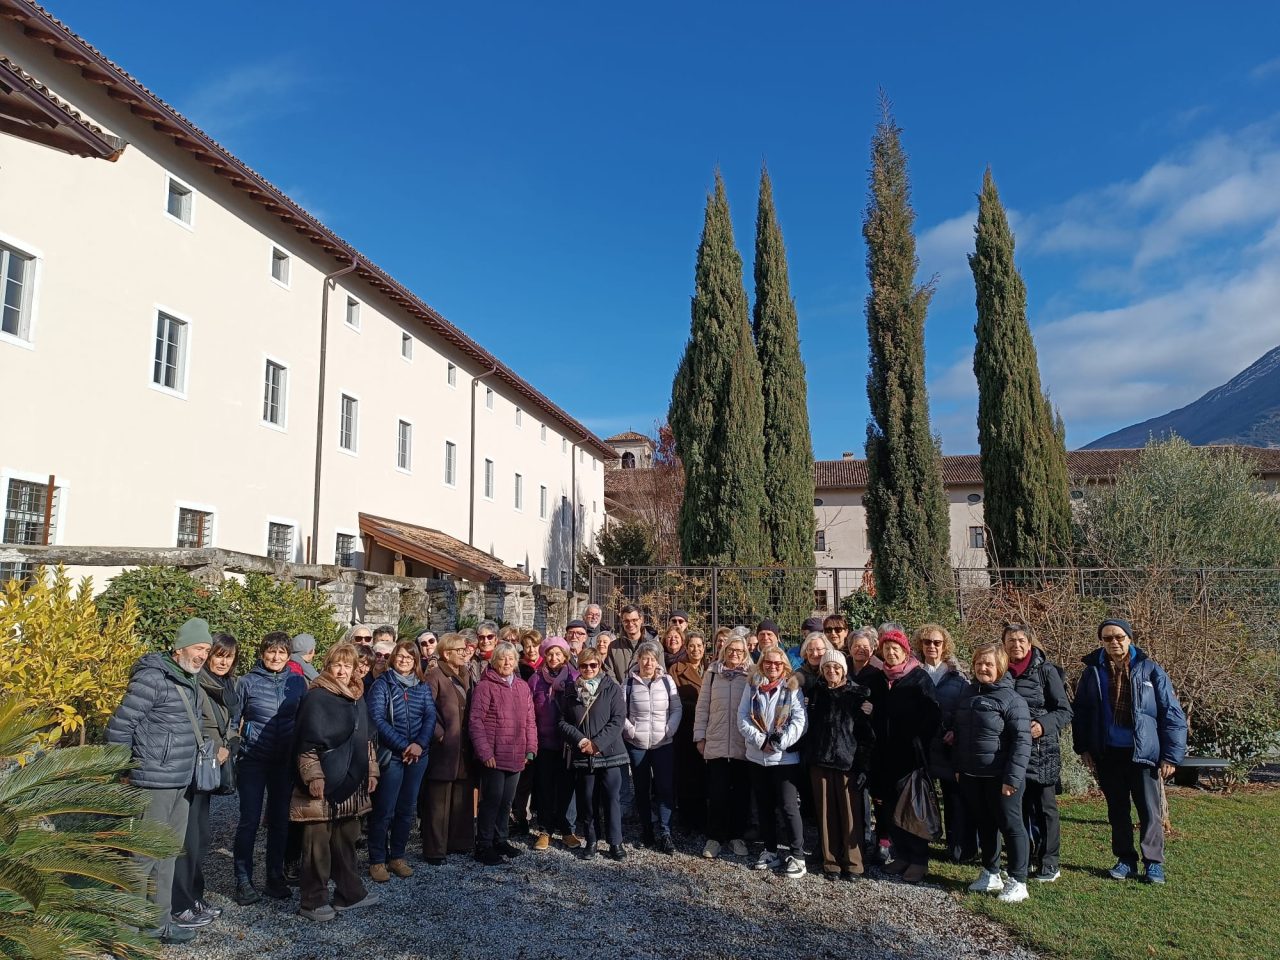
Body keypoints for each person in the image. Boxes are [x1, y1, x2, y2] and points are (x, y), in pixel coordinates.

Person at [106, 618, 213, 945]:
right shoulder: (153, 679)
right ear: (179, 647)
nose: (203, 656)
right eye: (198, 648)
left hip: (181, 781)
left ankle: (158, 925)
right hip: (152, 782)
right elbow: (119, 727)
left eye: (206, 650)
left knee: (167, 856)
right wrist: (122, 772)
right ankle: (127, 933)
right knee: (142, 859)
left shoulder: (187, 678)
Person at [1073, 618, 1187, 885]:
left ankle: (1153, 863)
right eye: (1108, 638)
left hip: (1143, 753)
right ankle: (1125, 859)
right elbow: (1082, 713)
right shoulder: (1092, 672)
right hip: (1108, 753)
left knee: (1149, 810)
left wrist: (1171, 755)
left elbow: (1172, 713)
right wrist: (1083, 748)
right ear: (1101, 641)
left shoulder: (1150, 669)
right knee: (1118, 810)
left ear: (1129, 638)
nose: (1114, 642)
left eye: (1119, 637)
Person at [290, 643, 379, 922]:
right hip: (323, 782)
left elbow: (366, 740)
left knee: (346, 842)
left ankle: (349, 894)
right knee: (317, 846)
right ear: (328, 666)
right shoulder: (316, 697)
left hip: (353, 781)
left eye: (347, 666)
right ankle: (313, 901)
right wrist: (313, 776)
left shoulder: (357, 696)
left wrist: (372, 771)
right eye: (337, 665)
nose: (342, 671)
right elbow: (305, 743)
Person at [950, 642, 1033, 904]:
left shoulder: (1012, 699)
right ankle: (991, 871)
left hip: (1001, 776)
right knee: (985, 823)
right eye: (979, 663)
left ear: (1000, 666)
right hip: (973, 774)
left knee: (1011, 826)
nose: (983, 668)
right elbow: (961, 735)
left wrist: (1012, 778)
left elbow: (1022, 741)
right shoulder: (968, 694)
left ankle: (1018, 880)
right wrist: (959, 768)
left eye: (988, 664)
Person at [171, 631, 241, 930]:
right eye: (218, 655)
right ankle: (180, 903)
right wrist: (217, 748)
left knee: (200, 838)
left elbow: (235, 723)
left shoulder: (228, 686)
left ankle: (193, 896)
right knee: (187, 839)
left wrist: (231, 744)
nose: (223, 662)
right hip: (195, 767)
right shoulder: (197, 683)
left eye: (228, 657)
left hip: (210, 768)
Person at [233, 631, 306, 905]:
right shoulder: (247, 682)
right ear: (262, 653)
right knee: (249, 821)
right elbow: (233, 720)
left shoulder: (298, 682)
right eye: (271, 652)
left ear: (289, 656)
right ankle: (243, 879)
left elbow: (303, 719)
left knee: (279, 821)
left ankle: (274, 877)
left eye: (281, 653)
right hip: (253, 759)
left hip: (284, 761)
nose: (276, 657)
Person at [1002, 622, 1072, 883]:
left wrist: (1042, 725)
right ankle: (1025, 857)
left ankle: (1049, 861)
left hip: (1042, 750)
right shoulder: (1002, 671)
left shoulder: (1046, 671)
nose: (1016, 645)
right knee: (1017, 808)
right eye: (1011, 641)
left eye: (1021, 640)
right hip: (1012, 752)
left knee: (1045, 809)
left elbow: (1065, 711)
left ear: (1029, 643)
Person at [870, 628, 940, 884]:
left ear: (905, 651)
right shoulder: (880, 679)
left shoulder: (918, 677)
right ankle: (901, 855)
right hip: (883, 756)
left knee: (912, 809)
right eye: (886, 649)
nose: (890, 653)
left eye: (895, 649)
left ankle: (919, 859)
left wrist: (917, 742)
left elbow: (933, 716)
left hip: (910, 758)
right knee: (890, 809)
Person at [366, 641, 437, 883]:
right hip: (393, 755)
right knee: (385, 808)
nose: (405, 660)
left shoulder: (423, 687)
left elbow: (430, 717)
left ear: (416, 660)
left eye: (409, 657)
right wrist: (403, 745)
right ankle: (376, 859)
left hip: (418, 755)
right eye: (401, 656)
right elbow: (377, 718)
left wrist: (419, 744)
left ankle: (397, 856)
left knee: (406, 809)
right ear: (393, 658)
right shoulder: (382, 685)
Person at [804, 648, 875, 881]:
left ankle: (854, 863)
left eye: (836, 667)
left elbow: (866, 735)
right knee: (825, 814)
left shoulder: (858, 694)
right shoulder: (815, 693)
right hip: (820, 760)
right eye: (827, 668)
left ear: (843, 669)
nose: (831, 671)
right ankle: (831, 861)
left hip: (848, 762)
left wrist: (863, 766)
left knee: (850, 815)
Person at [738, 646, 808, 879]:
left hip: (784, 758)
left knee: (788, 806)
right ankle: (770, 850)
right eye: (768, 662)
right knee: (764, 805)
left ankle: (798, 855)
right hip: (757, 757)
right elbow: (743, 717)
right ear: (762, 664)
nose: (773, 667)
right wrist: (760, 741)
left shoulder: (791, 688)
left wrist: (778, 742)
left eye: (778, 663)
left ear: (785, 666)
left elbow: (799, 721)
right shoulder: (752, 687)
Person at [468, 641, 537, 865]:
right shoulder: (485, 686)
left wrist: (531, 748)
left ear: (516, 662)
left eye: (510, 659)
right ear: (494, 661)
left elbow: (530, 720)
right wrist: (484, 751)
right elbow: (475, 721)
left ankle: (501, 839)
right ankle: (484, 845)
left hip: (516, 754)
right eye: (502, 658)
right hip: (494, 756)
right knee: (491, 801)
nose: (506, 662)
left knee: (507, 802)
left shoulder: (522, 686)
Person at [557, 647, 629, 860]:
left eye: (593, 665)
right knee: (587, 800)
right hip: (583, 754)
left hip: (610, 753)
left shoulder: (611, 688)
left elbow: (617, 720)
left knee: (611, 799)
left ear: (600, 665)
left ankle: (616, 842)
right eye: (583, 665)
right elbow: (562, 721)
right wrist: (581, 740)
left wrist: (597, 744)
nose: (588, 669)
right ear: (578, 667)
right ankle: (591, 840)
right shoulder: (571, 690)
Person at [915, 623, 974, 864]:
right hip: (922, 745)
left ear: (944, 645)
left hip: (949, 745)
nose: (932, 646)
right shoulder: (913, 672)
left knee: (954, 798)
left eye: (937, 643)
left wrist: (955, 732)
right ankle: (922, 842)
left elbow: (965, 709)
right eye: (927, 642)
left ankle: (957, 847)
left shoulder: (958, 676)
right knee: (921, 796)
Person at [694, 635, 752, 859]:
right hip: (716, 741)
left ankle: (737, 837)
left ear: (745, 652)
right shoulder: (712, 674)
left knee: (741, 794)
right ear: (724, 651)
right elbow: (702, 708)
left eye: (739, 650)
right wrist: (700, 736)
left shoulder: (750, 675)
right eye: (730, 650)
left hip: (742, 744)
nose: (734, 654)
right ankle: (715, 838)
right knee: (716, 793)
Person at [421, 633, 475, 865]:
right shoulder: (434, 676)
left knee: (461, 796)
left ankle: (459, 842)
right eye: (460, 649)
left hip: (464, 747)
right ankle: (435, 849)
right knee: (439, 801)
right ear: (447, 653)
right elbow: (426, 709)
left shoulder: (466, 674)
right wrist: (440, 736)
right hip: (444, 748)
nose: (465, 652)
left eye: (465, 649)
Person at [623, 641, 682, 853]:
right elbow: (621, 712)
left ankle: (665, 831)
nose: (648, 662)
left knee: (665, 788)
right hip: (637, 744)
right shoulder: (629, 683)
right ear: (638, 660)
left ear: (658, 661)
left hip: (662, 743)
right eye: (645, 658)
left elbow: (676, 708)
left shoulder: (667, 682)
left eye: (652, 658)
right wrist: (630, 731)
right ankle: (646, 828)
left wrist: (670, 729)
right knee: (641, 788)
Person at [527, 636, 579, 850]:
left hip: (568, 742)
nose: (554, 657)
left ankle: (567, 830)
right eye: (550, 654)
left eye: (558, 654)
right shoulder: (535, 679)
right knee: (545, 786)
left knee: (567, 787)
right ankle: (545, 829)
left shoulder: (574, 677)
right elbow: (529, 710)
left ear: (565, 657)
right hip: (544, 741)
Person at [669, 630, 708, 835]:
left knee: (704, 774)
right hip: (685, 728)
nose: (696, 649)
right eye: (691, 645)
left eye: (699, 646)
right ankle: (685, 818)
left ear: (704, 647)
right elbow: (673, 699)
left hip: (708, 728)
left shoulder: (710, 668)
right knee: (685, 774)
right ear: (686, 647)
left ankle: (702, 816)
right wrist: (699, 706)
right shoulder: (677, 669)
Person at [794, 631, 828, 697]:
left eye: (819, 649)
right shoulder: (798, 674)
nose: (815, 654)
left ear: (826, 650)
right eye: (810, 650)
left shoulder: (832, 672)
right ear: (806, 651)